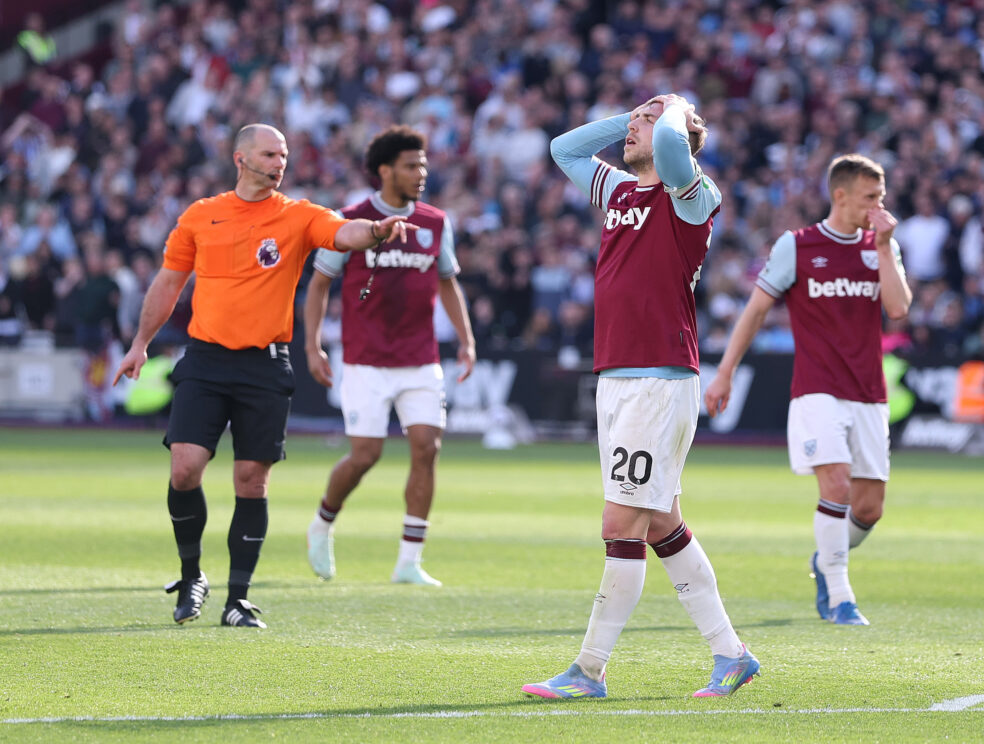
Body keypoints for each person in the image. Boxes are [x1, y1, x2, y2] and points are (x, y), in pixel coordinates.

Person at [112, 123, 417, 628]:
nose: (281, 162)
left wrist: (376, 230)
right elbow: (168, 283)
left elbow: (343, 232)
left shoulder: (298, 215)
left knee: (251, 481)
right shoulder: (201, 215)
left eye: (285, 155)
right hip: (206, 360)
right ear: (241, 158)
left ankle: (238, 599)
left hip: (264, 363)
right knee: (184, 469)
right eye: (271, 154)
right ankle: (192, 576)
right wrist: (140, 344)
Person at [522, 95, 759, 701]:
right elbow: (564, 149)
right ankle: (731, 655)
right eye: (632, 119)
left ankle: (589, 670)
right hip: (618, 377)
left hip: (659, 380)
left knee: (620, 520)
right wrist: (635, 116)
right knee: (659, 522)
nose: (632, 127)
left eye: (645, 122)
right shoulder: (621, 193)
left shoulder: (694, 195)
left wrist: (672, 107)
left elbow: (676, 149)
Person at [704, 154, 912, 626]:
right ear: (840, 196)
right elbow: (756, 310)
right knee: (835, 484)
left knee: (869, 508)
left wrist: (883, 247)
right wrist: (726, 371)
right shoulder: (797, 246)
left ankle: (825, 558)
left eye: (880, 196)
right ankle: (840, 595)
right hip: (817, 388)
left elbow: (898, 309)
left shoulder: (881, 245)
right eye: (870, 198)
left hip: (869, 392)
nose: (878, 206)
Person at [304, 125, 475, 585]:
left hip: (420, 359)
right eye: (410, 165)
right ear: (385, 171)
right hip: (364, 360)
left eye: (423, 165)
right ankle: (322, 523)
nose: (421, 173)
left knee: (427, 447)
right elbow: (319, 283)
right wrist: (312, 343)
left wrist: (466, 339)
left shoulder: (436, 222)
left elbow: (447, 282)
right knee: (365, 455)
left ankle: (409, 561)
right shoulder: (351, 219)